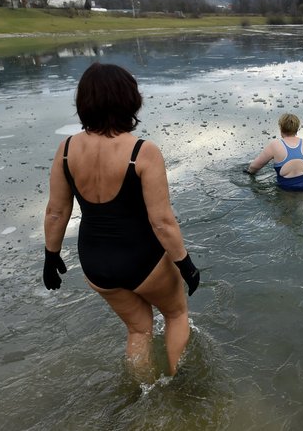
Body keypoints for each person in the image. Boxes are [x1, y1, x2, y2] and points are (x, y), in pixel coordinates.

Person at [42, 62, 200, 379]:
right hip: (142, 257)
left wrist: (51, 256)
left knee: (139, 331)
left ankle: (144, 391)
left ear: (84, 102)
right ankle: (179, 387)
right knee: (176, 313)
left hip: (96, 263)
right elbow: (162, 222)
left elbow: (56, 212)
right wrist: (185, 263)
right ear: (129, 100)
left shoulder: (66, 149)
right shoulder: (142, 151)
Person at [246, 113, 303, 191]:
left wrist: (249, 173)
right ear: (297, 128)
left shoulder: (275, 145)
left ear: (281, 128)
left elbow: (255, 166)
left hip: (286, 186)